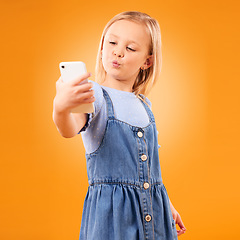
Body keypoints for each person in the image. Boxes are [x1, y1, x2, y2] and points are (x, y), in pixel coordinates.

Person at [53, 11, 186, 240]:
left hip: (154, 213)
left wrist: (167, 204)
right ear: (103, 46)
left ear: (147, 61)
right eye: (112, 42)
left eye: (131, 48)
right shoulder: (94, 95)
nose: (118, 51)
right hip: (112, 219)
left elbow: (149, 169)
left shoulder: (145, 105)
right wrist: (61, 107)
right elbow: (68, 129)